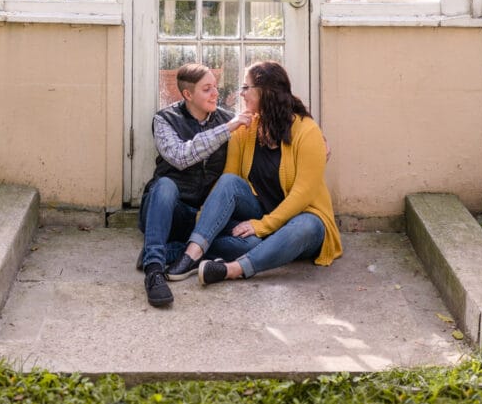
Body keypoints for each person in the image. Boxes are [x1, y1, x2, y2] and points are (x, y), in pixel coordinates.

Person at [166, 60, 342, 286]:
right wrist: (206, 220)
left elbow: (302, 195)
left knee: (307, 226)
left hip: (299, 220)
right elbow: (228, 181)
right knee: (230, 185)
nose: (241, 94)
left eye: (246, 87)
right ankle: (192, 252)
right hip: (259, 214)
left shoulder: (307, 131)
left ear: (266, 92)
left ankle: (230, 269)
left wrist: (263, 226)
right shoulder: (245, 129)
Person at [139, 62, 253, 307]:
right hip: (168, 212)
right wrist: (228, 128)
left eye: (215, 87)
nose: (215, 94)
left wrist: (318, 140)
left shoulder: (224, 119)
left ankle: (176, 252)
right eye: (207, 89)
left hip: (203, 218)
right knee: (165, 185)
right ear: (187, 94)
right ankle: (154, 270)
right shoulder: (164, 120)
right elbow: (181, 156)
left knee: (251, 243)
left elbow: (268, 119)